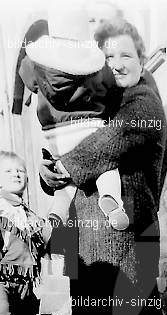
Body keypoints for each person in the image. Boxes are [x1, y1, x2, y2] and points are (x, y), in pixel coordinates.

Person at [40, 18, 167, 315]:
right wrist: (50, 171)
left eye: (126, 54)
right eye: (108, 56)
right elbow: (68, 142)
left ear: (140, 58)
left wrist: (66, 164)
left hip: (129, 229)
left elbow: (111, 141)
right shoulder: (103, 102)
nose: (117, 63)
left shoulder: (143, 100)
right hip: (94, 232)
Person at [20, 7, 128, 231]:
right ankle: (111, 199)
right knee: (107, 171)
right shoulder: (97, 64)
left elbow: (27, 78)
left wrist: (64, 166)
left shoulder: (38, 61)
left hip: (54, 134)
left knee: (64, 189)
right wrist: (47, 173)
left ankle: (54, 218)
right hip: (90, 127)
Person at [0, 151, 52, 315]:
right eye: (8, 171)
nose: (16, 174)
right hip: (2, 282)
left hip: (26, 285)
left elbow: (43, 245)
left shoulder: (30, 216)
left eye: (20, 170)